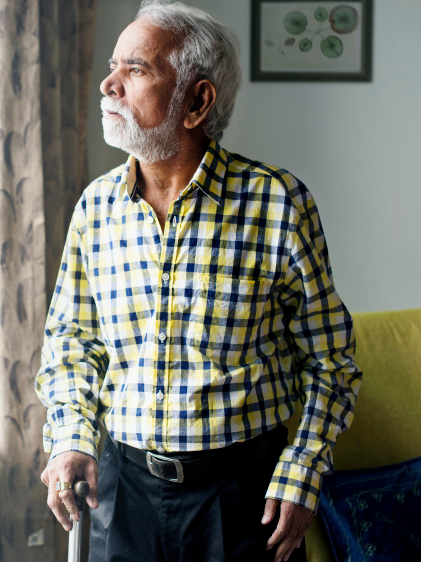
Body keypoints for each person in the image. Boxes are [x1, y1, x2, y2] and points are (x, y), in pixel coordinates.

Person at [34, 2, 363, 561]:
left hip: (240, 499)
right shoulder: (95, 207)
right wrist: (70, 440)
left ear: (196, 101)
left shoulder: (278, 203)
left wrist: (302, 470)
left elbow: (332, 362)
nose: (108, 84)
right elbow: (72, 343)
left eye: (135, 69)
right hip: (122, 491)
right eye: (113, 66)